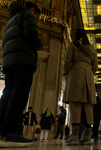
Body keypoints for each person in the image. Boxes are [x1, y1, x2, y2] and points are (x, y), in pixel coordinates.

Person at [0, 1, 43, 147]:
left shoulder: (9, 22)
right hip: (23, 60)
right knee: (19, 94)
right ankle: (9, 132)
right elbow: (31, 34)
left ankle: (2, 131)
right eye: (37, 14)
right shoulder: (27, 15)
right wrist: (40, 44)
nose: (36, 17)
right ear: (32, 9)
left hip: (9, 62)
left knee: (8, 93)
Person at [63, 28, 98, 146]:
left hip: (76, 73)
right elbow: (95, 66)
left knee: (75, 105)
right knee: (88, 106)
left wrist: (67, 72)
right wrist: (89, 73)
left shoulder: (72, 46)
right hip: (88, 76)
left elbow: (67, 61)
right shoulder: (92, 49)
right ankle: (87, 136)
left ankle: (74, 136)